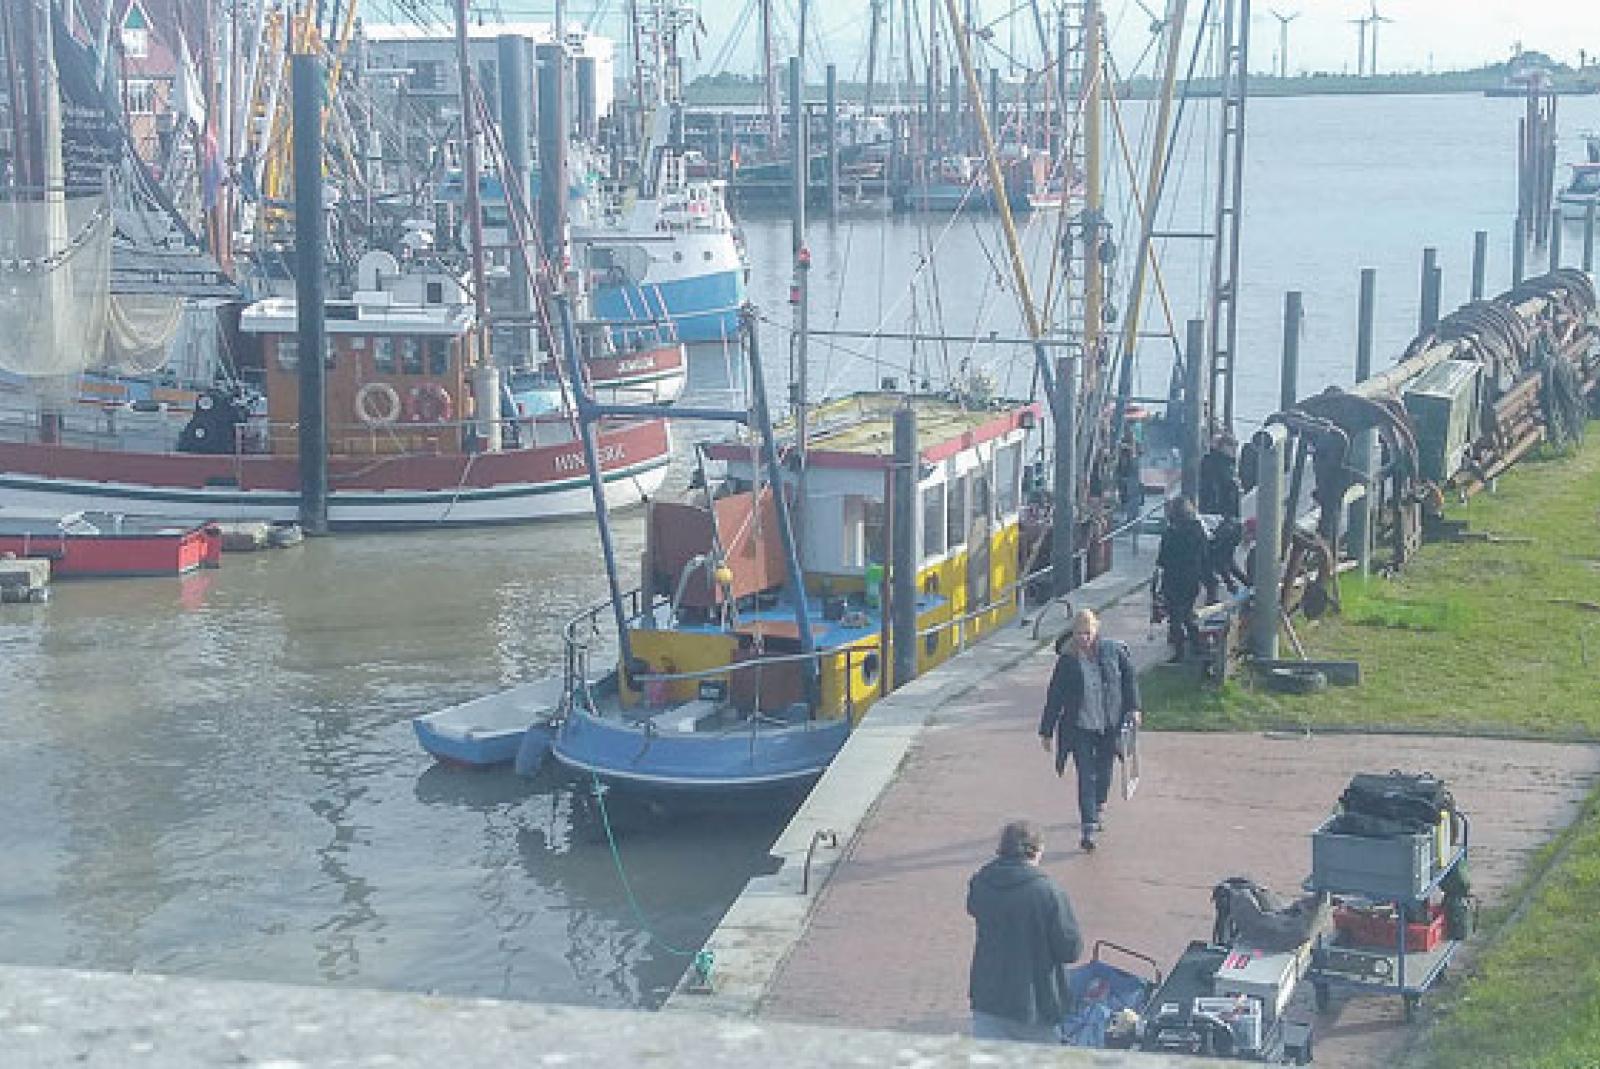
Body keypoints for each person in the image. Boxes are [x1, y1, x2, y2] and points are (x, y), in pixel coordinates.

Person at [967, 819, 1083, 1043]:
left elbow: (973, 907)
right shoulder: (1048, 892)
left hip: (988, 996)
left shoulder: (981, 882)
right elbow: (1070, 950)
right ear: (1036, 850)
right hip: (1035, 1002)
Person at [1038, 609, 1142, 852]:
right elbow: (1055, 695)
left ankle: (1099, 804)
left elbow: (1129, 679)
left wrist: (1134, 708)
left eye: (1087, 633)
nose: (1083, 638)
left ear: (1096, 631)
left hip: (1108, 724)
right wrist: (1046, 730)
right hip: (1080, 727)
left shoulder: (1113, 652)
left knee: (1104, 771)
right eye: (1078, 633)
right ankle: (1089, 827)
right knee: (1086, 775)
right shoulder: (1067, 661)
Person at [1156, 496, 1210, 663]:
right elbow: (1205, 556)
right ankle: (1196, 645)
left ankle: (1179, 651)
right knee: (1186, 613)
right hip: (1192, 578)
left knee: (1175, 617)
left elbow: (1162, 560)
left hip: (1173, 579)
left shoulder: (1170, 534)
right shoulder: (1198, 532)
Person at [1198, 433, 1242, 520]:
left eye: (1236, 445)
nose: (1234, 449)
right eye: (1231, 445)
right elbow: (1224, 484)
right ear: (1223, 446)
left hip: (1222, 509)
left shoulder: (1229, 464)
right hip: (1217, 509)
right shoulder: (1216, 462)